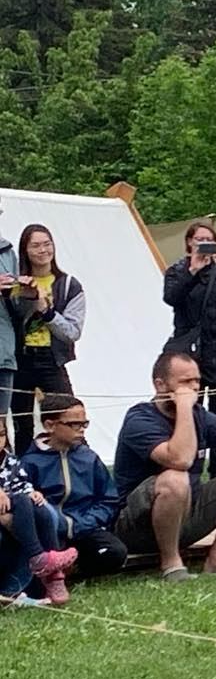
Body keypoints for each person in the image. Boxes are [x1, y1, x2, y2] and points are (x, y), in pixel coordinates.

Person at [114, 352, 216, 580]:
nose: (194, 388)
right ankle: (171, 564)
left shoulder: (201, 415)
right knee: (175, 478)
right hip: (135, 526)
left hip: (185, 516)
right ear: (160, 384)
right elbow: (180, 460)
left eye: (197, 381)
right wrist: (183, 408)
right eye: (185, 382)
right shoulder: (139, 418)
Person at [163, 218, 216, 478]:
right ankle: (192, 464)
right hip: (191, 352)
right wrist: (192, 271)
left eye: (208, 240)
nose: (204, 244)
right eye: (199, 240)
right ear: (189, 242)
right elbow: (171, 298)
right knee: (190, 408)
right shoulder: (178, 270)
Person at [21, 393, 127, 580]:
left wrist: (86, 523)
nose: (81, 430)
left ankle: (74, 569)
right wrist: (59, 525)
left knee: (115, 553)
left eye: (84, 424)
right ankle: (57, 568)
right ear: (50, 425)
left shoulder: (89, 458)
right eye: (74, 424)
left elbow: (108, 500)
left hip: (86, 529)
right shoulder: (30, 462)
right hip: (51, 532)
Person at [8, 223, 85, 457]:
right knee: (22, 425)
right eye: (36, 246)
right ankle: (23, 477)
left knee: (67, 414)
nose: (43, 250)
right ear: (25, 251)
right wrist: (25, 298)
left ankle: (80, 466)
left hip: (52, 359)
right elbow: (11, 319)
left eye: (47, 244)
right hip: (20, 358)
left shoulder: (69, 285)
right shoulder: (15, 284)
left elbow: (73, 332)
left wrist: (47, 311)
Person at [0, 416, 76, 606]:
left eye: (1, 434)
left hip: (13, 507)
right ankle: (38, 558)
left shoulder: (9, 459)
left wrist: (33, 492)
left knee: (41, 509)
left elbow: (21, 482)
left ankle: (54, 575)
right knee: (22, 502)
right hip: (10, 508)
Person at [0, 199, 20, 429]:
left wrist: (26, 292)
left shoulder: (7, 252)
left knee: (1, 427)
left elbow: (16, 307)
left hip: (3, 353)